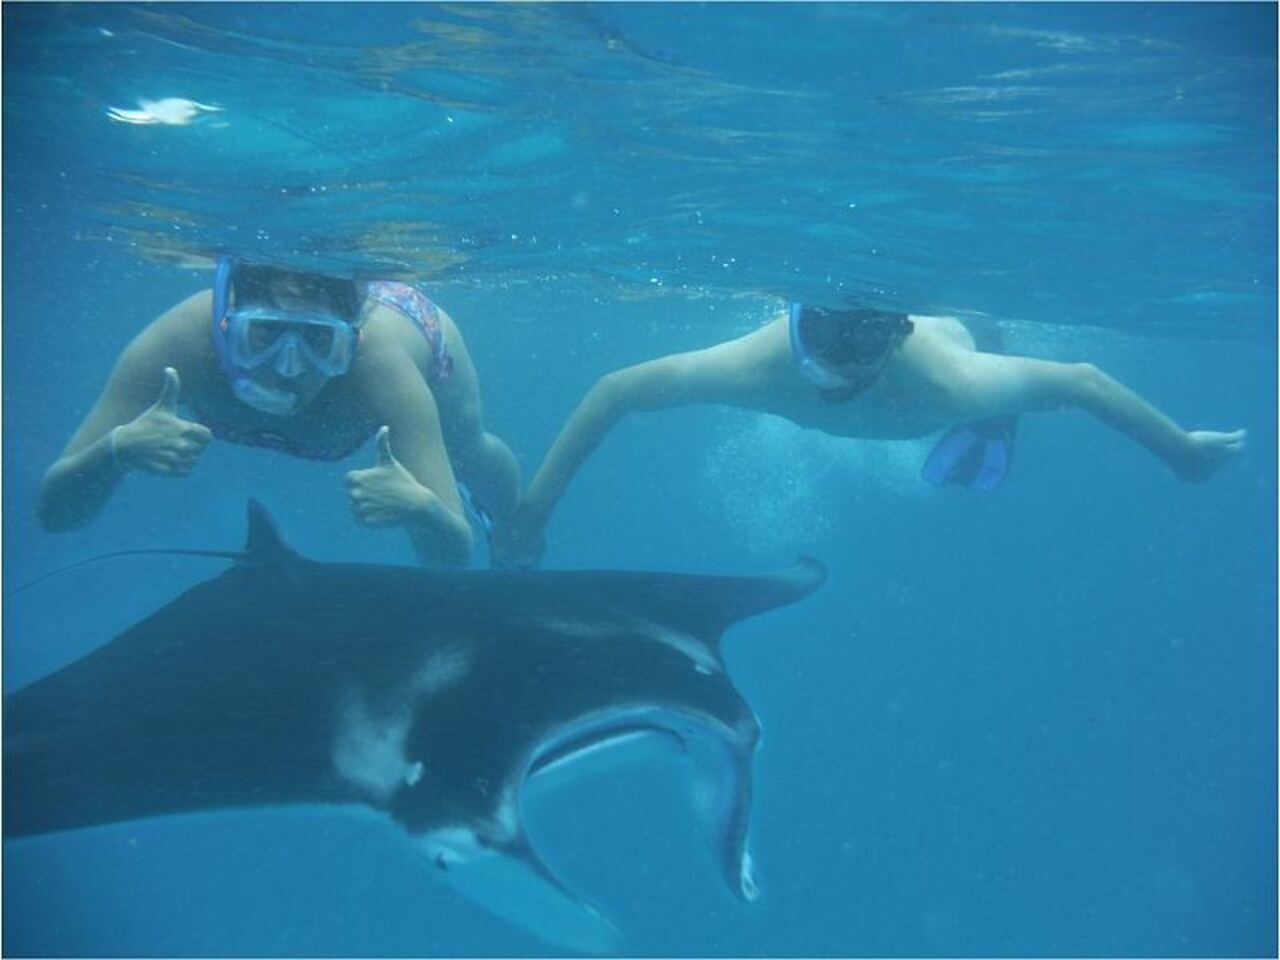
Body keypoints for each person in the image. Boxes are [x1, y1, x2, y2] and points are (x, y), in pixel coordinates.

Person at [493, 302, 1246, 567]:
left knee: (1009, 379)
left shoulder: (951, 380)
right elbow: (615, 391)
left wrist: (1181, 451)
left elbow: (1082, 381)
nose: (829, 367)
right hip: (916, 389)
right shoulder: (756, 365)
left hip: (964, 337)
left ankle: (992, 427)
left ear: (891, 342)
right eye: (817, 341)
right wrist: (534, 511)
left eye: (851, 355)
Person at [38, 258, 520, 567]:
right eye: (265, 334)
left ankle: (518, 528)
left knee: (468, 449)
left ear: (349, 345)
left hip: (410, 322)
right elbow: (55, 516)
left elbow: (450, 561)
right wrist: (115, 451)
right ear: (226, 327)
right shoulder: (179, 345)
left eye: (319, 341)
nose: (288, 368)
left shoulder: (381, 369)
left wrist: (425, 511)